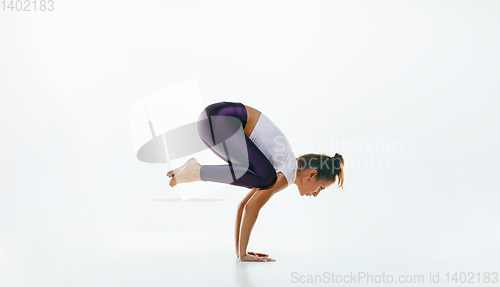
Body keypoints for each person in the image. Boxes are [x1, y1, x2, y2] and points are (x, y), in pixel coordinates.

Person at [167, 101, 344, 262]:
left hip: (210, 122)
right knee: (266, 177)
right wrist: (244, 254)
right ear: (312, 174)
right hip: (222, 120)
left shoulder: (281, 164)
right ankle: (196, 172)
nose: (316, 194)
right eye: (321, 187)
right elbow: (252, 207)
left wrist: (240, 252)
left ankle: (195, 169)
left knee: (264, 176)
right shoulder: (288, 170)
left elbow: (243, 206)